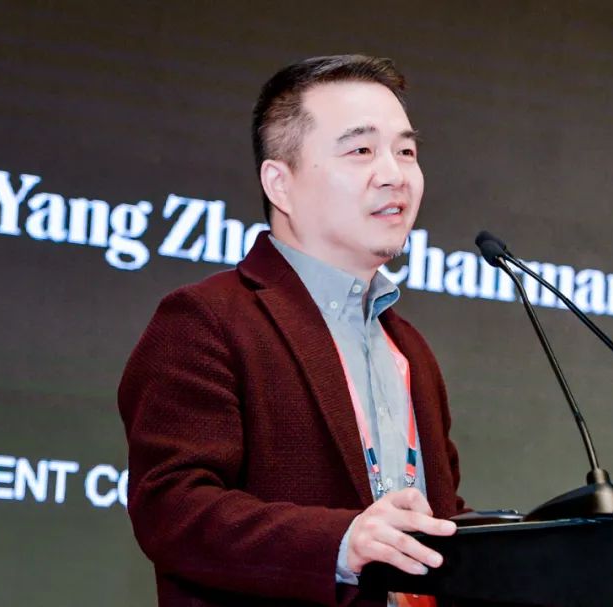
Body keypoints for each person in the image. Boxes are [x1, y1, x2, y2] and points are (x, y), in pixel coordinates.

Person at [118, 54, 466, 607]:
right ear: (280, 184)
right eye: (361, 151)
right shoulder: (208, 320)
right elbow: (172, 507)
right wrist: (342, 542)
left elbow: (440, 521)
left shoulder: (410, 350)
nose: (394, 174)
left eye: (406, 152)